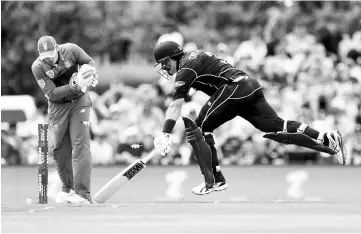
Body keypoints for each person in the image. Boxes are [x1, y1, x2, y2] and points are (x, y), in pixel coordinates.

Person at [153, 41, 347, 195]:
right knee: (274, 125)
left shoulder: (186, 68)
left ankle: (214, 180)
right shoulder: (194, 55)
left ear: (171, 58)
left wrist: (165, 133)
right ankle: (327, 138)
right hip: (249, 85)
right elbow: (205, 79)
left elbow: (175, 104)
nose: (164, 67)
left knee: (200, 128)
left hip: (234, 88)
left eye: (164, 63)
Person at [31, 36, 98, 204]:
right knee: (60, 150)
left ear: (58, 49)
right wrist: (74, 84)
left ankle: (83, 194)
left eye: (51, 55)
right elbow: (52, 93)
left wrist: (89, 73)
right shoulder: (38, 67)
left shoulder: (71, 50)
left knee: (80, 144)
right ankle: (67, 188)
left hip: (79, 102)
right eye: (45, 56)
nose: (49, 59)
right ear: (39, 54)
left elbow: (89, 61)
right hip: (58, 107)